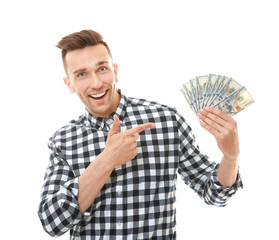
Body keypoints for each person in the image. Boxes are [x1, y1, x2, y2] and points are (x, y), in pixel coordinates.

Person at [38, 29, 243, 239]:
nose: (96, 83)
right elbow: (52, 222)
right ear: (69, 84)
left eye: (102, 69)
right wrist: (107, 160)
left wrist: (230, 157)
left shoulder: (165, 120)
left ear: (115, 71)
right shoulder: (63, 140)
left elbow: (214, 193)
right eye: (81, 74)